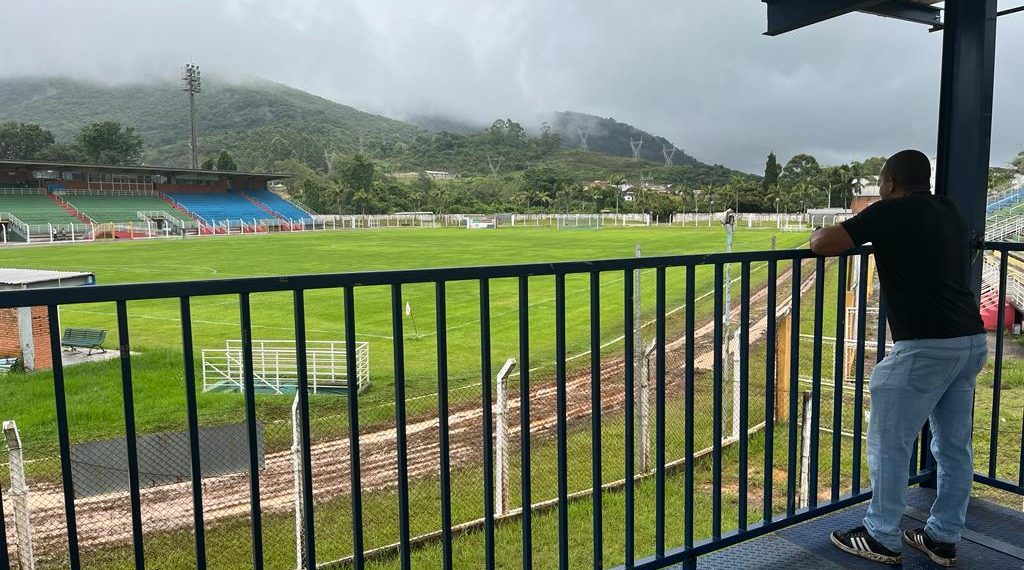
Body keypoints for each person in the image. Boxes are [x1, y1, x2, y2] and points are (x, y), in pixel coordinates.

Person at [809, 149, 987, 567]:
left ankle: (882, 536)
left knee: (889, 443)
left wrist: (838, 224)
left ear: (889, 184)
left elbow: (824, 243)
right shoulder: (950, 212)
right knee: (954, 446)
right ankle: (942, 538)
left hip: (925, 347)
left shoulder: (889, 213)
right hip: (969, 342)